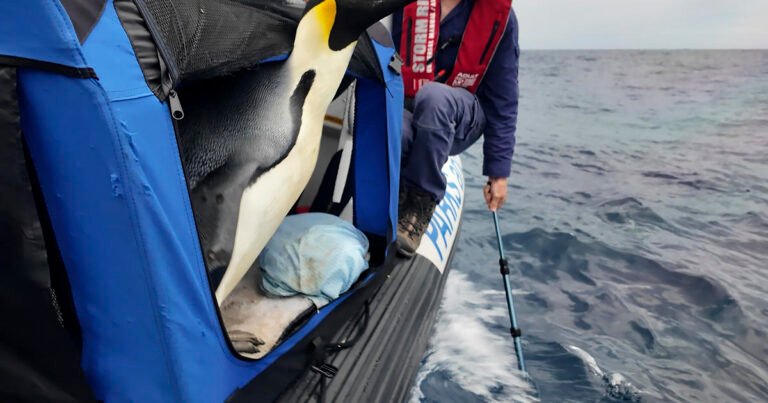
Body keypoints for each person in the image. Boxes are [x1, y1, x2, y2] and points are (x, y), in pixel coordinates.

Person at [393, 0, 520, 256]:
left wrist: (498, 174)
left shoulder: (502, 18)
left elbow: (503, 101)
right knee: (397, 129)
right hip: (408, 105)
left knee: (435, 97)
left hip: (462, 116)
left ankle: (421, 202)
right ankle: (388, 198)